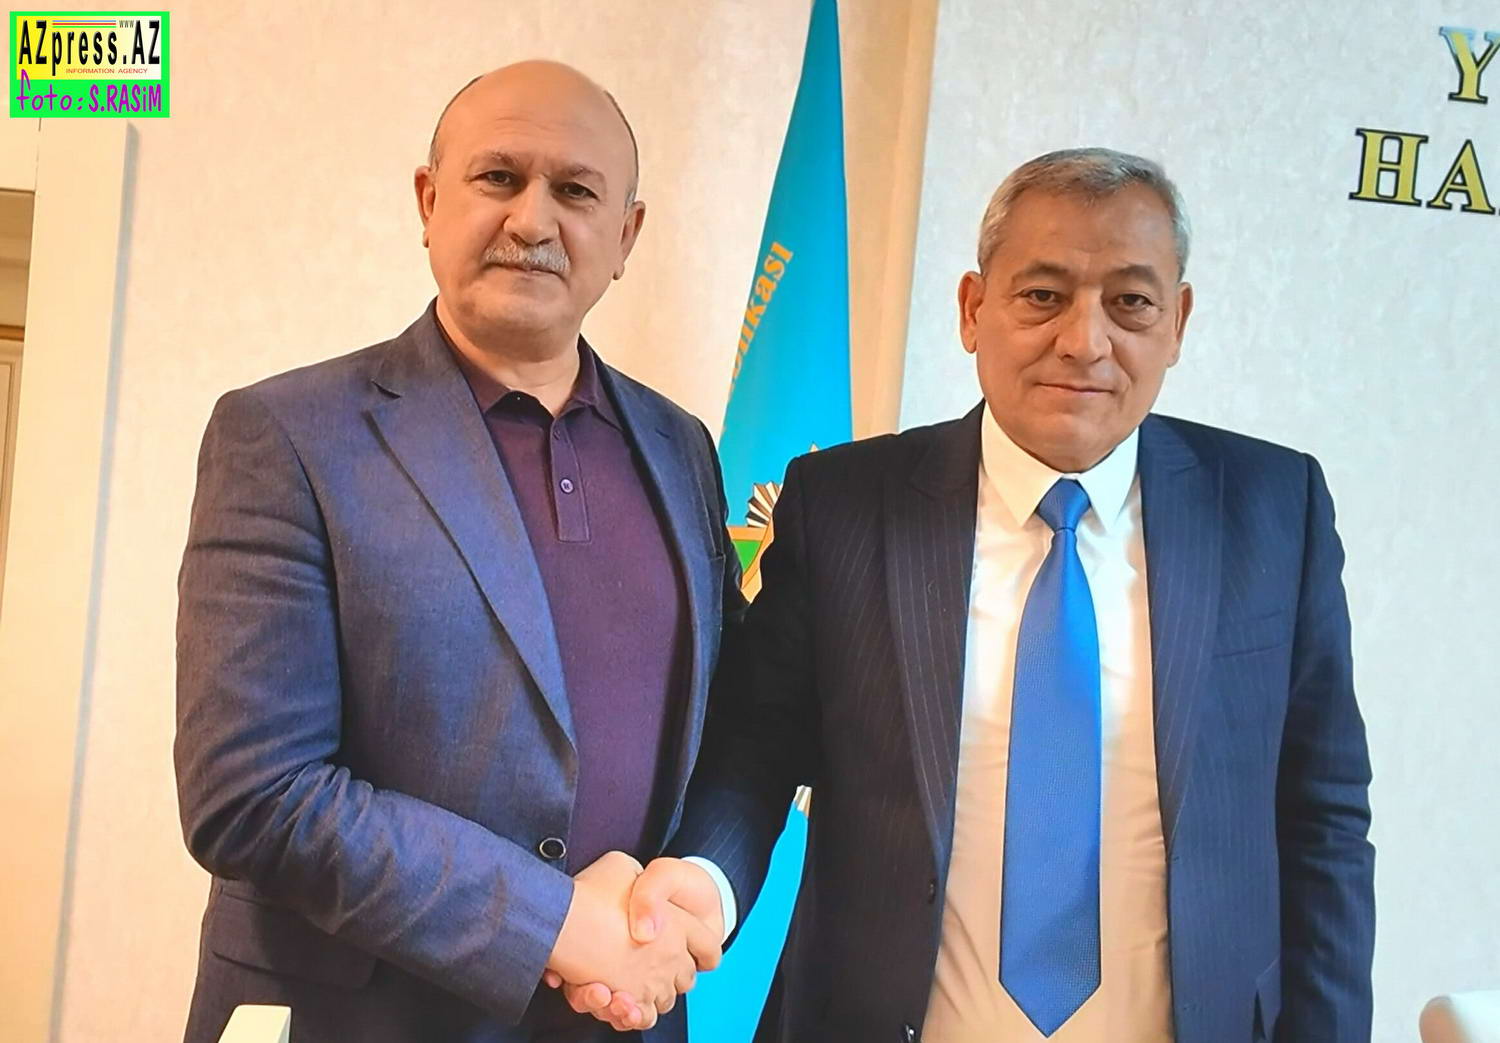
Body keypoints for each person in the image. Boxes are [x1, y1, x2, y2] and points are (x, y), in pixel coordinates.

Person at [577, 148, 1375, 1041]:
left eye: (1130, 302)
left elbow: (1324, 818)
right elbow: (755, 751)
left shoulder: (1272, 510)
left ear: (1177, 322)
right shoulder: (847, 506)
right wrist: (707, 881)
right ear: (972, 308)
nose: (1085, 340)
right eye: (1043, 295)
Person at [174, 60, 740, 1043]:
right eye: (499, 177)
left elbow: (734, 716)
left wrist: (688, 891)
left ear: (627, 236)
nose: (532, 219)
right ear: (430, 202)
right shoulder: (287, 433)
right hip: (356, 1020)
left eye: (576, 191)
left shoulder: (680, 446)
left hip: (618, 1018)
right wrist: (551, 922)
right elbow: (252, 791)